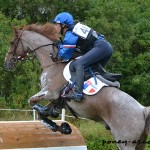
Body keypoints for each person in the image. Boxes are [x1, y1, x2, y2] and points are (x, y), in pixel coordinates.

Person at [52, 12, 113, 101]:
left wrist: (59, 46)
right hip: (106, 47)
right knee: (90, 71)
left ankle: (78, 93)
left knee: (78, 64)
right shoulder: (76, 27)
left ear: (63, 25)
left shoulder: (70, 33)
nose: (54, 27)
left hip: (100, 47)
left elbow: (65, 54)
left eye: (56, 24)